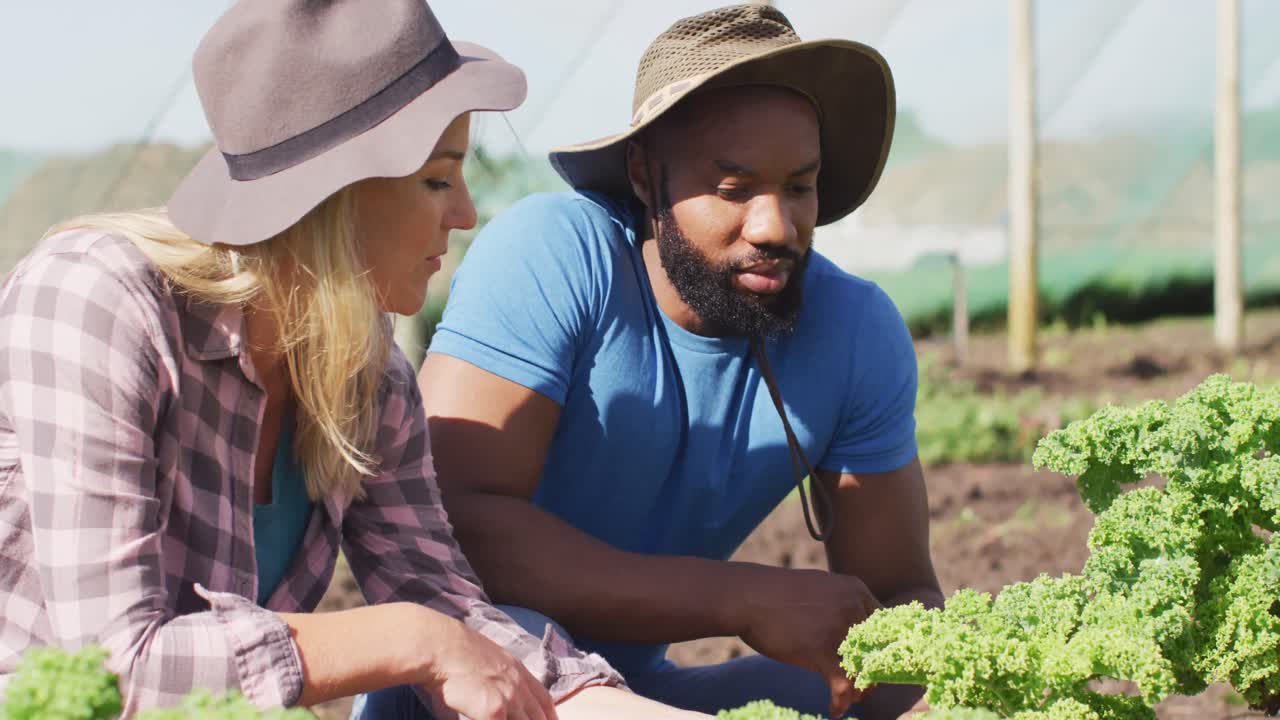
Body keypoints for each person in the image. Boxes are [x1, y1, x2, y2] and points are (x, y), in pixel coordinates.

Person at [0, 2, 707, 719]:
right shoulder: (95, 297)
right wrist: (409, 636)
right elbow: (114, 668)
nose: (465, 213)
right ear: (331, 197)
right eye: (438, 179)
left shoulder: (371, 380)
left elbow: (458, 618)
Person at [418, 5, 945, 719]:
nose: (774, 227)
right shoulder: (554, 255)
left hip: (639, 699)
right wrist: (741, 596)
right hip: (480, 684)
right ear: (643, 175)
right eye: (733, 189)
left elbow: (898, 595)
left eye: (799, 186)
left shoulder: (854, 330)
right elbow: (452, 528)